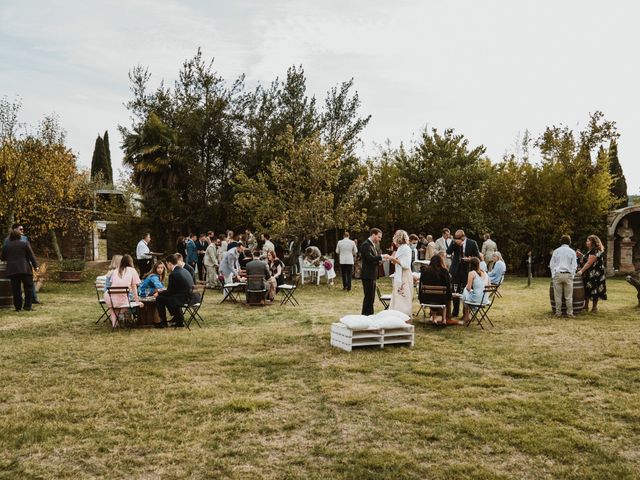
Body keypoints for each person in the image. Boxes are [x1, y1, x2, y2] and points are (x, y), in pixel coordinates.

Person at [1, 229, 38, 311]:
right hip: (25, 269)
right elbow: (31, 256)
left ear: (11, 237)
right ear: (19, 236)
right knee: (28, 288)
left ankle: (18, 307)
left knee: (16, 289)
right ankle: (28, 306)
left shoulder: (6, 246)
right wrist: (36, 266)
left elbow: (2, 257)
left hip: (13, 270)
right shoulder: (25, 244)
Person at [447, 229, 480, 317]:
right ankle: (455, 311)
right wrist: (454, 243)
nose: (456, 239)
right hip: (456, 269)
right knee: (455, 290)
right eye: (455, 238)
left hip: (467, 270)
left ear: (463, 236)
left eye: (458, 238)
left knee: (467, 291)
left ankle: (466, 312)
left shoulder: (472, 243)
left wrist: (470, 259)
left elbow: (477, 256)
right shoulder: (454, 242)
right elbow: (448, 252)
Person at [155, 254, 194, 328]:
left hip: (183, 299)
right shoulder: (184, 270)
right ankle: (179, 320)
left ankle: (163, 322)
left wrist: (159, 292)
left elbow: (170, 292)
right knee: (168, 297)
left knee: (159, 298)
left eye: (166, 264)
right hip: (190, 297)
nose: (167, 266)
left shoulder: (173, 274)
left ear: (169, 263)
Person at [103, 254, 142, 328]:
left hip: (109, 296)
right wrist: (137, 300)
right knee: (125, 304)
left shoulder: (115, 271)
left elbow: (112, 284)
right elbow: (134, 286)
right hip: (123, 298)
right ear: (131, 262)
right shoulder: (132, 270)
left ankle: (114, 324)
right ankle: (121, 314)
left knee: (113, 308)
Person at [360, 228, 389, 315]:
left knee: (371, 297)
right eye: (379, 237)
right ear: (373, 235)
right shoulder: (366, 245)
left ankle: (369, 314)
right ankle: (366, 315)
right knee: (368, 297)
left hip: (372, 274)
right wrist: (381, 257)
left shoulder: (372, 245)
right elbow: (369, 258)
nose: (380, 239)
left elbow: (372, 259)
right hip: (368, 275)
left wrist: (379, 261)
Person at [419, 253, 452, 325]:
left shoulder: (425, 271)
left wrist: (420, 297)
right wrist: (449, 297)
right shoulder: (444, 272)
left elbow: (421, 285)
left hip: (426, 298)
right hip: (441, 299)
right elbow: (448, 287)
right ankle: (444, 319)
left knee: (432, 296)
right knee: (444, 298)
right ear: (441, 262)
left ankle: (433, 318)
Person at [577, 235, 607, 313]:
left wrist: (581, 271)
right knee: (587, 288)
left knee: (594, 289)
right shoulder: (590, 250)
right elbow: (587, 259)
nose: (586, 242)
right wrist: (581, 256)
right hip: (590, 273)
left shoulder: (595, 250)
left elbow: (589, 263)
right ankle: (585, 306)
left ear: (593, 242)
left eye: (588, 241)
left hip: (595, 274)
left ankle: (594, 308)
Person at [549, 235, 577, 318]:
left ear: (561, 241)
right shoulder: (572, 252)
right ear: (569, 242)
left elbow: (552, 264)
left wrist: (553, 274)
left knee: (557, 296)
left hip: (558, 274)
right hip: (568, 274)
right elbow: (574, 265)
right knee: (568, 296)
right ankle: (570, 313)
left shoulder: (556, 251)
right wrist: (572, 275)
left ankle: (558, 313)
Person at [388, 230, 414, 317]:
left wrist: (393, 259)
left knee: (404, 294)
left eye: (394, 236)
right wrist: (393, 259)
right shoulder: (400, 248)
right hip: (399, 274)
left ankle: (404, 314)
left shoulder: (406, 248)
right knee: (397, 294)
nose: (393, 238)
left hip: (404, 275)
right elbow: (397, 262)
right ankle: (396, 313)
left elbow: (406, 264)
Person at [461, 257, 490, 324]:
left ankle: (466, 316)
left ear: (470, 265)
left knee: (465, 291)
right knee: (469, 294)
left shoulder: (472, 273)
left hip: (477, 299)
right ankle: (469, 315)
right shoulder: (485, 273)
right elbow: (488, 286)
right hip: (485, 299)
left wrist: (469, 288)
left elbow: (468, 288)